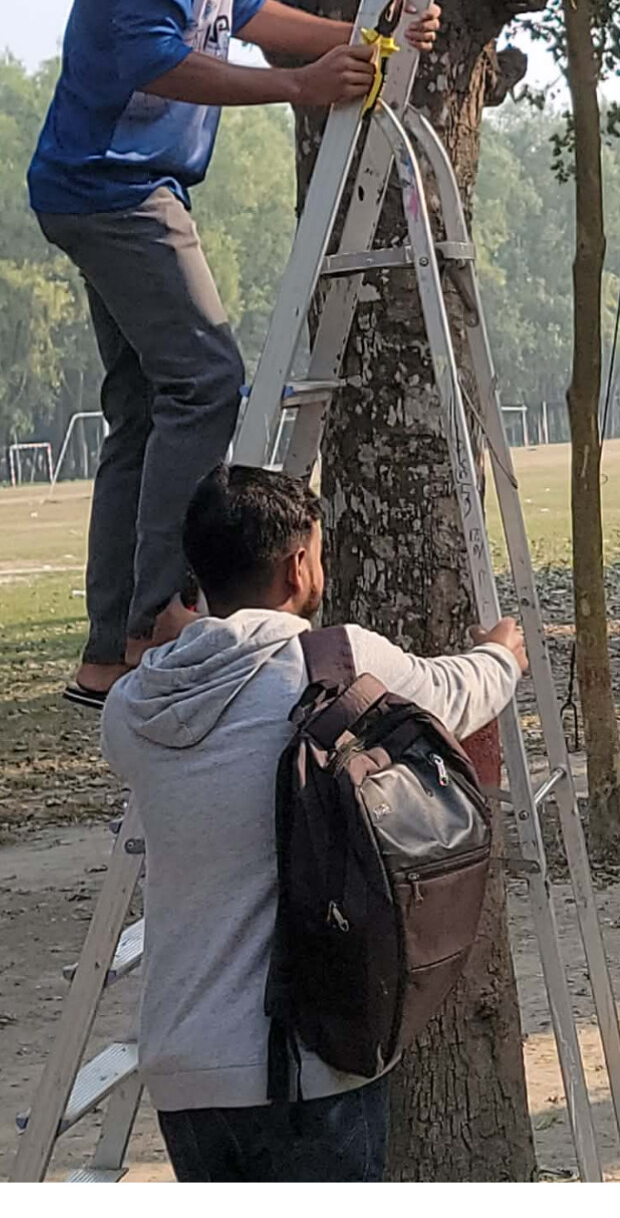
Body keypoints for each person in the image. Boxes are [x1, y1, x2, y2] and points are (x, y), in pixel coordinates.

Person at [32, 0, 439, 711]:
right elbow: (151, 55)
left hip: (107, 179)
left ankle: (110, 651)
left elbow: (245, 13)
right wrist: (298, 88)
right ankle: (157, 621)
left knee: (145, 406)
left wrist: (358, 38)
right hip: (117, 184)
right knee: (207, 381)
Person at [100, 464, 524, 1182]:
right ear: (297, 567)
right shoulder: (334, 662)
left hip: (183, 1071)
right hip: (304, 1067)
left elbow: (219, 687)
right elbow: (452, 694)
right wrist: (500, 654)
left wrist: (189, 636)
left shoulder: (132, 708)